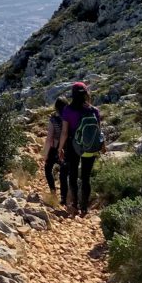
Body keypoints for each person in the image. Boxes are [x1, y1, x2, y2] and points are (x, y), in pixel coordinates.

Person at [58, 82, 106, 216]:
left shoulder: (68, 110)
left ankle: (74, 204)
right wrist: (102, 146)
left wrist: (60, 148)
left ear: (72, 94)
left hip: (73, 146)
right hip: (89, 147)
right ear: (86, 94)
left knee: (72, 175)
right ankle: (84, 207)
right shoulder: (94, 110)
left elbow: (65, 132)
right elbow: (99, 131)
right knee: (86, 177)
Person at [41, 96, 68, 201]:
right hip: (68, 148)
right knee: (64, 173)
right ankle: (64, 198)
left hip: (55, 148)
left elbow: (49, 139)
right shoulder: (69, 118)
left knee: (48, 169)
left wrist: (45, 153)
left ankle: (53, 192)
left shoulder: (54, 120)